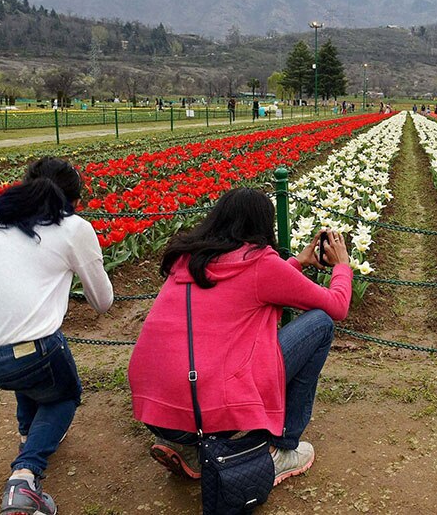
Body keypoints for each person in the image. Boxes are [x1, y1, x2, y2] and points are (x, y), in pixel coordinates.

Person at [128, 188, 352, 496]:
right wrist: (342, 266)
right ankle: (282, 450)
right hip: (206, 411)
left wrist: (297, 262)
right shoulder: (260, 263)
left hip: (157, 411)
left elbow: (249, 283)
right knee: (320, 325)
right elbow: (337, 306)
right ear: (263, 225)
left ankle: (188, 448)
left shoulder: (188, 259)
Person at [0, 157, 114, 515]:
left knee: (30, 361)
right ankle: (25, 479)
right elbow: (103, 303)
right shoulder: (74, 227)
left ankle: (31, 432)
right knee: (61, 392)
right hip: (14, 353)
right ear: (75, 198)